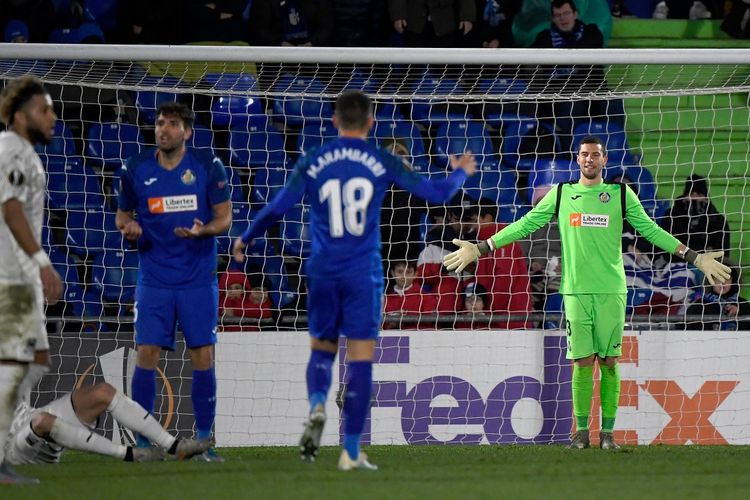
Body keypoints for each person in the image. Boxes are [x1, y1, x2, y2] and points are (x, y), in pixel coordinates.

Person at [232, 90, 476, 470]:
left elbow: (276, 208)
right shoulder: (381, 159)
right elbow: (438, 193)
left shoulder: (313, 160)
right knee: (360, 359)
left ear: (333, 122)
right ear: (371, 123)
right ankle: (349, 450)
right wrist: (461, 169)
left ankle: (316, 404)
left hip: (324, 270)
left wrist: (244, 238)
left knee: (322, 350)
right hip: (363, 272)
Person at [444, 135, 731, 450]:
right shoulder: (562, 193)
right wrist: (483, 247)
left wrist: (694, 257)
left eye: (595, 154)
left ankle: (607, 436)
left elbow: (651, 230)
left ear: (604, 160)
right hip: (576, 292)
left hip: (611, 291)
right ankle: (581, 435)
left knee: (608, 362)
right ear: (578, 159)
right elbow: (525, 225)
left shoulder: (620, 194)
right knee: (581, 362)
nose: (589, 159)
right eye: (584, 154)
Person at [115, 102, 232, 461]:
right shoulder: (135, 168)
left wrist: (204, 231)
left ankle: (203, 441)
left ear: (187, 132)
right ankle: (145, 441)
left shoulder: (207, 166)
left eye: (172, 123)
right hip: (155, 278)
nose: (163, 128)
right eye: (160, 122)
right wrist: (129, 228)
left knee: (203, 354)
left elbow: (224, 218)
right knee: (146, 353)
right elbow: (123, 214)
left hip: (197, 278)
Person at [0, 75, 63, 485]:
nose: (53, 117)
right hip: (12, 277)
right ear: (22, 116)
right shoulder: (9, 150)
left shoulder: (24, 152)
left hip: (21, 278)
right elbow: (10, 209)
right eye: (44, 110)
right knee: (15, 366)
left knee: (33, 362)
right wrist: (41, 262)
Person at [5, 374, 212, 465]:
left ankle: (175, 446)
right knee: (43, 421)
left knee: (103, 392)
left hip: (27, 417)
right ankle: (131, 454)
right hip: (12, 449)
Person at [529, 0, 624, 143]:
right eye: (558, 15)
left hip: (593, 92)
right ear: (553, 19)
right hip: (561, 95)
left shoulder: (591, 32)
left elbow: (592, 45)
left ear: (575, 14)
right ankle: (574, 151)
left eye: (566, 13)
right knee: (572, 105)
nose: (562, 18)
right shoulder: (545, 38)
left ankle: (615, 148)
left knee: (613, 101)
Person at [464, 198, 533, 329]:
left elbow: (505, 281)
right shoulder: (486, 242)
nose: (472, 226)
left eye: (474, 220)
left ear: (488, 218)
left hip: (509, 320)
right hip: (497, 318)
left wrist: (489, 312)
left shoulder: (502, 240)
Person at [661, 174, 730, 256]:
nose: (694, 198)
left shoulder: (718, 220)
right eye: (691, 195)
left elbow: (722, 253)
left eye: (699, 195)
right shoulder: (672, 216)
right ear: (684, 198)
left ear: (706, 199)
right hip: (676, 265)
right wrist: (702, 251)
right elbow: (667, 249)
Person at [683, 264, 750, 331]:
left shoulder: (743, 304)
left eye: (727, 279)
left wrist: (740, 312)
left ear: (734, 282)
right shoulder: (700, 304)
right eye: (718, 279)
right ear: (710, 281)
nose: (722, 283)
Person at [389, 0, 475, 48]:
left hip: (445, 21)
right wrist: (398, 15)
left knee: (445, 65)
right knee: (414, 65)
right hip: (414, 20)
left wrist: (467, 16)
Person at [383, 260, 437, 329]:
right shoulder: (383, 299)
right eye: (400, 272)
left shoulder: (427, 298)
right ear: (392, 273)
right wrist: (391, 324)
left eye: (408, 272)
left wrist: (406, 319)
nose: (404, 276)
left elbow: (432, 326)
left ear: (415, 274)